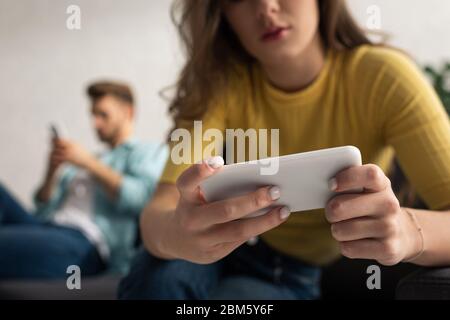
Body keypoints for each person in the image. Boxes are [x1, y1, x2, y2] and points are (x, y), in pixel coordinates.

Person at [118, 0, 450, 299]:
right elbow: (158, 211)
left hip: (290, 271)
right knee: (160, 276)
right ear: (220, 14)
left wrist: (407, 231)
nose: (265, 8)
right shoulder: (217, 84)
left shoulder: (384, 78)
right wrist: (175, 234)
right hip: (211, 248)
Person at [0, 81, 168, 278]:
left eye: (103, 115)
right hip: (46, 226)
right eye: (93, 115)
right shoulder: (88, 160)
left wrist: (88, 163)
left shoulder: (147, 152)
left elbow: (142, 200)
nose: (95, 123)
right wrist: (52, 170)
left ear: (128, 113)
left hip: (84, 241)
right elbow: (42, 209)